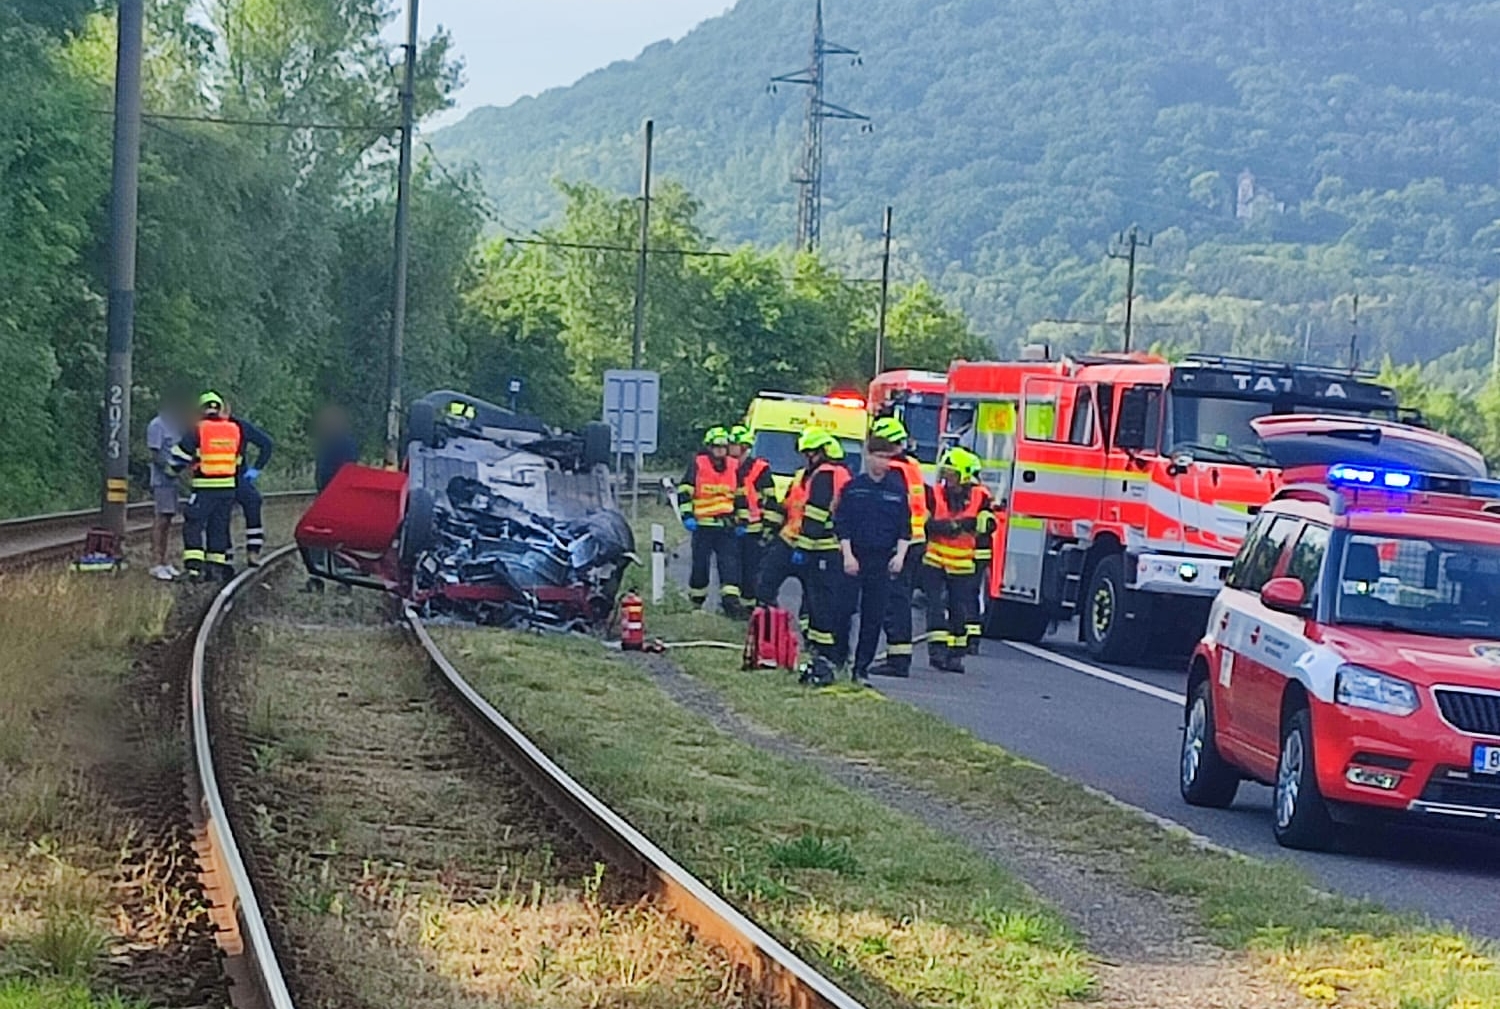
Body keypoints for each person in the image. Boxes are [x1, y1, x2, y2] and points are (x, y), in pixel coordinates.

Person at [756, 428, 851, 685]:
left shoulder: (829, 475)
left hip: (819, 547)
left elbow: (817, 515)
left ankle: (824, 654)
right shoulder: (805, 475)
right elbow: (787, 507)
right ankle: (770, 636)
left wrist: (803, 548)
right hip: (791, 540)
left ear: (823, 452)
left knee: (818, 603)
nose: (806, 456)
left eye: (810, 452)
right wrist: (768, 534)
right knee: (765, 585)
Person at [833, 434, 911, 684]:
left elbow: (904, 528)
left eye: (887, 458)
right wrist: (847, 556)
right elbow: (842, 524)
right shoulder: (854, 488)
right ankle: (839, 659)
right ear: (868, 457)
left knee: (873, 616)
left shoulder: (897, 491)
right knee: (844, 612)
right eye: (878, 457)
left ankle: (861, 668)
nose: (882, 463)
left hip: (882, 560)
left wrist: (900, 556)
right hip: (854, 557)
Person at [865, 416, 929, 678]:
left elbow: (889, 508)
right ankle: (898, 656)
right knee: (899, 599)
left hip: (900, 543)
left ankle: (898, 659)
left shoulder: (893, 470)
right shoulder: (912, 465)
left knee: (894, 601)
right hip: (915, 539)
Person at [922, 447, 990, 673]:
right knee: (935, 606)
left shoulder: (980, 497)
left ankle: (956, 654)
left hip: (962, 563)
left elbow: (987, 523)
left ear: (964, 475)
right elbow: (925, 521)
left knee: (958, 608)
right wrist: (944, 527)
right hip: (934, 560)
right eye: (946, 473)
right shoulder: (935, 494)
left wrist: (972, 525)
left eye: (952, 474)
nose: (947, 479)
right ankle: (938, 651)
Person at [170, 391, 243, 584]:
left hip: (205, 487)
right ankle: (215, 569)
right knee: (219, 527)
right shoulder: (234, 429)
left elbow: (178, 458)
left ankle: (194, 569)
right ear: (219, 409)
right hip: (228, 488)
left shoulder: (198, 429)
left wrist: (174, 470)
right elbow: (238, 458)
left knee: (193, 524)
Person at [677, 427, 745, 617]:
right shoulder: (698, 464)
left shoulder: (733, 465)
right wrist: (687, 516)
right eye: (716, 447)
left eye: (723, 447)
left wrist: (743, 521)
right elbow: (685, 491)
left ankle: (730, 604)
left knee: (729, 566)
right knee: (700, 566)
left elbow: (740, 495)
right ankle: (697, 603)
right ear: (709, 447)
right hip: (703, 526)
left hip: (726, 526)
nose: (720, 451)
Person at [728, 424, 776, 601]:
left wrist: (767, 532)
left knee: (751, 571)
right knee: (731, 570)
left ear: (744, 447)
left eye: (733, 444)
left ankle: (750, 606)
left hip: (753, 530)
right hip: (731, 527)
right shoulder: (726, 467)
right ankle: (733, 605)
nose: (729, 447)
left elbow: (771, 501)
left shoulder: (760, 468)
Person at [145, 396, 187, 581]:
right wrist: (169, 469)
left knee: (168, 520)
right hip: (163, 480)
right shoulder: (157, 425)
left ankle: (164, 560)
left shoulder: (174, 426)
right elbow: (155, 454)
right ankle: (155, 563)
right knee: (161, 519)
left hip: (173, 481)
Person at [226, 409, 275, 568]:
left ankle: (253, 551)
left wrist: (256, 469)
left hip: (238, 477)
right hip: (214, 479)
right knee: (219, 513)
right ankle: (224, 555)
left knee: (253, 501)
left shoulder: (239, 425)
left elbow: (266, 444)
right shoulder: (203, 426)